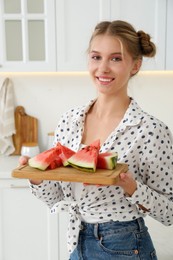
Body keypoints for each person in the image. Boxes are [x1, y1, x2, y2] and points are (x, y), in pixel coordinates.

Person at [20, 20, 173, 259]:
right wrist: (37, 179)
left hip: (124, 245)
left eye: (116, 58)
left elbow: (169, 213)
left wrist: (132, 188)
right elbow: (57, 197)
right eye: (96, 57)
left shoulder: (151, 130)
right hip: (75, 242)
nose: (103, 68)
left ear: (135, 65)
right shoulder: (69, 120)